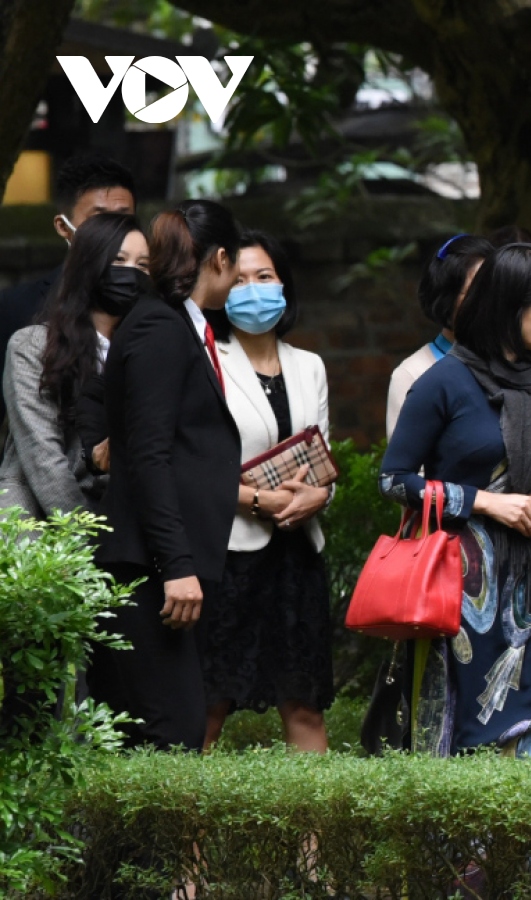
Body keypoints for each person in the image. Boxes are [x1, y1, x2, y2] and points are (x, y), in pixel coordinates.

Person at [381, 242, 531, 758]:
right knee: (468, 744)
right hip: (460, 592)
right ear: (514, 305)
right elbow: (394, 480)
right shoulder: (442, 383)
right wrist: (487, 503)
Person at [91, 199, 243, 751]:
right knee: (169, 736)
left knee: (167, 737)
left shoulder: (177, 325)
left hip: (164, 569)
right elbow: (148, 457)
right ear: (220, 258)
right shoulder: (161, 325)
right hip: (147, 570)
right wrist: (176, 566)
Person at [200, 231, 335, 752]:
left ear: (285, 285)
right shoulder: (207, 363)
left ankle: (320, 838)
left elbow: (323, 463)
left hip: (296, 559)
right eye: (240, 279)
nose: (254, 289)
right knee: (209, 709)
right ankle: (188, 836)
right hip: (230, 557)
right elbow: (191, 471)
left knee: (305, 708)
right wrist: (256, 500)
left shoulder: (310, 366)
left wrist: (317, 498)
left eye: (266, 277)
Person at [0, 213, 149, 517]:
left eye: (143, 266)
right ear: (88, 265)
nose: (131, 274)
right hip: (42, 530)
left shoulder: (145, 350)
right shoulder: (33, 345)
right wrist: (88, 539)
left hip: (121, 528)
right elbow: (43, 459)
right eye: (119, 261)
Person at [0, 155, 137, 426]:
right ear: (64, 227)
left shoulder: (152, 307)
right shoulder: (17, 308)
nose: (111, 232)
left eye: (122, 220)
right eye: (98, 219)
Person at [386, 234, 495, 437]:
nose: (487, 301)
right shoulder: (413, 374)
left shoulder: (513, 361)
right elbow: (406, 467)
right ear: (446, 296)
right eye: (475, 291)